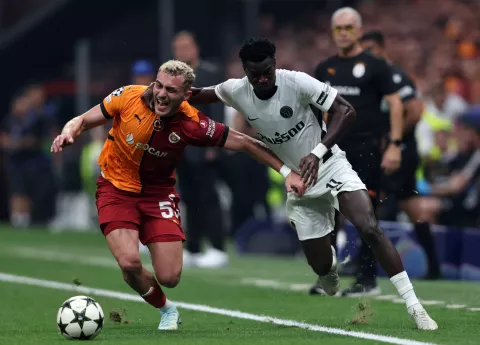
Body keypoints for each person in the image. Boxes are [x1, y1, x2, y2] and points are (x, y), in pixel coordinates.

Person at [188, 37, 438, 330]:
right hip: (298, 184)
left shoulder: (297, 83)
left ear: (275, 64)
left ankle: (415, 306)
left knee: (369, 226)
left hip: (330, 164)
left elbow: (346, 111)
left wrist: (318, 153)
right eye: (255, 74)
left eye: (268, 71)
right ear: (245, 70)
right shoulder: (235, 90)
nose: (263, 78)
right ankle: (328, 268)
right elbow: (195, 95)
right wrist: (154, 93)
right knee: (321, 267)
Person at [50, 60, 306, 331]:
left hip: (158, 195)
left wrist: (287, 171)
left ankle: (140, 275)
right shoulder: (127, 96)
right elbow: (82, 121)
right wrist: (68, 133)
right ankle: (166, 309)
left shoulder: (192, 122)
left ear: (186, 95)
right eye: (159, 85)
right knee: (129, 260)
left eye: (171, 90)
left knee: (170, 276)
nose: (161, 93)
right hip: (115, 189)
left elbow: (244, 142)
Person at [310, 7, 404, 297]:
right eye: (338, 28)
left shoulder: (376, 65)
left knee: (365, 216)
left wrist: (395, 145)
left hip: (366, 150)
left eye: (349, 27)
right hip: (332, 150)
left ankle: (367, 279)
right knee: (326, 213)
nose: (343, 33)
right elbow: (315, 111)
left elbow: (396, 104)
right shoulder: (324, 68)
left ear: (359, 30)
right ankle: (328, 275)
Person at [360, 30, 441, 280]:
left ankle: (366, 266)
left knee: (372, 203)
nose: (369, 55)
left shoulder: (394, 76)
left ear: (383, 50)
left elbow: (415, 112)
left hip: (400, 152)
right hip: (383, 151)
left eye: (372, 49)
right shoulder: (371, 80)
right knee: (405, 205)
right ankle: (433, 266)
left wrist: (392, 141)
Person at [172, 31, 228, 268]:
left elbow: (218, 110)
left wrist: (214, 143)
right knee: (189, 199)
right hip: (181, 147)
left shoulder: (209, 73)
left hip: (204, 145)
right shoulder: (172, 77)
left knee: (208, 198)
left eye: (187, 46)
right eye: (179, 47)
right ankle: (193, 248)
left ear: (195, 48)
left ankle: (218, 247)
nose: (183, 51)